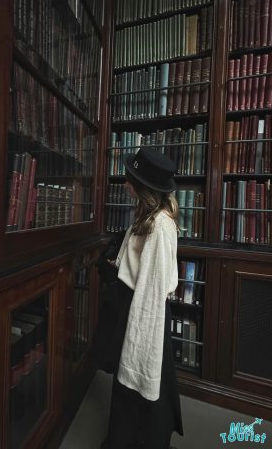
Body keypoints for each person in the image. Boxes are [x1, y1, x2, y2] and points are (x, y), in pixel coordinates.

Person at [100, 146, 183, 449]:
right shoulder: (146, 214)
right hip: (131, 304)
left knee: (140, 382)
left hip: (144, 313)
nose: (124, 182)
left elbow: (151, 290)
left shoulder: (160, 227)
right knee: (128, 388)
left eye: (130, 178)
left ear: (143, 188)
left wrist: (138, 338)